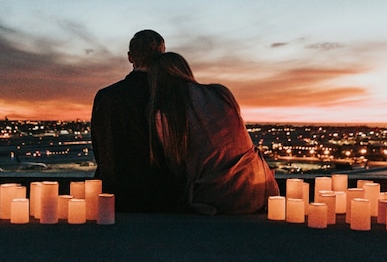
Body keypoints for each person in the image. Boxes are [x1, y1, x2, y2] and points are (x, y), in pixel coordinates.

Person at [147, 52, 280, 215]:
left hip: (218, 198)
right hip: (261, 188)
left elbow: (176, 167)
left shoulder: (166, 115)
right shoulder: (221, 93)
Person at [90, 30, 178, 212]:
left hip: (111, 194)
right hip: (159, 196)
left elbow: (100, 150)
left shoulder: (105, 96)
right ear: (162, 57)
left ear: (130, 58)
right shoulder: (170, 95)